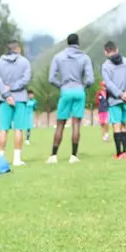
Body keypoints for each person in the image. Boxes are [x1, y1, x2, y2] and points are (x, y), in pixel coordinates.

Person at [47, 33, 94, 164]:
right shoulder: (85, 57)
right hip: (79, 91)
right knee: (76, 124)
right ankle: (73, 156)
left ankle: (53, 156)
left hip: (65, 91)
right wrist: (83, 86)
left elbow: (51, 78)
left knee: (60, 124)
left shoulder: (58, 57)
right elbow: (90, 79)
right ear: (78, 43)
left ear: (67, 42)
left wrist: (61, 85)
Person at [0, 40, 32, 166]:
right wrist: (14, 87)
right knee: (18, 129)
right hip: (20, 97)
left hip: (4, 99)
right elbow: (25, 79)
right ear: (18, 49)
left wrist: (6, 93)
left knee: (3, 129)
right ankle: (16, 159)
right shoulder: (25, 62)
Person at [101, 41, 126, 159]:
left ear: (106, 52)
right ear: (116, 49)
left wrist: (120, 94)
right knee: (123, 125)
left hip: (114, 99)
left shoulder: (106, 65)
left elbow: (108, 83)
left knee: (116, 125)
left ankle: (118, 153)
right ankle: (125, 151)